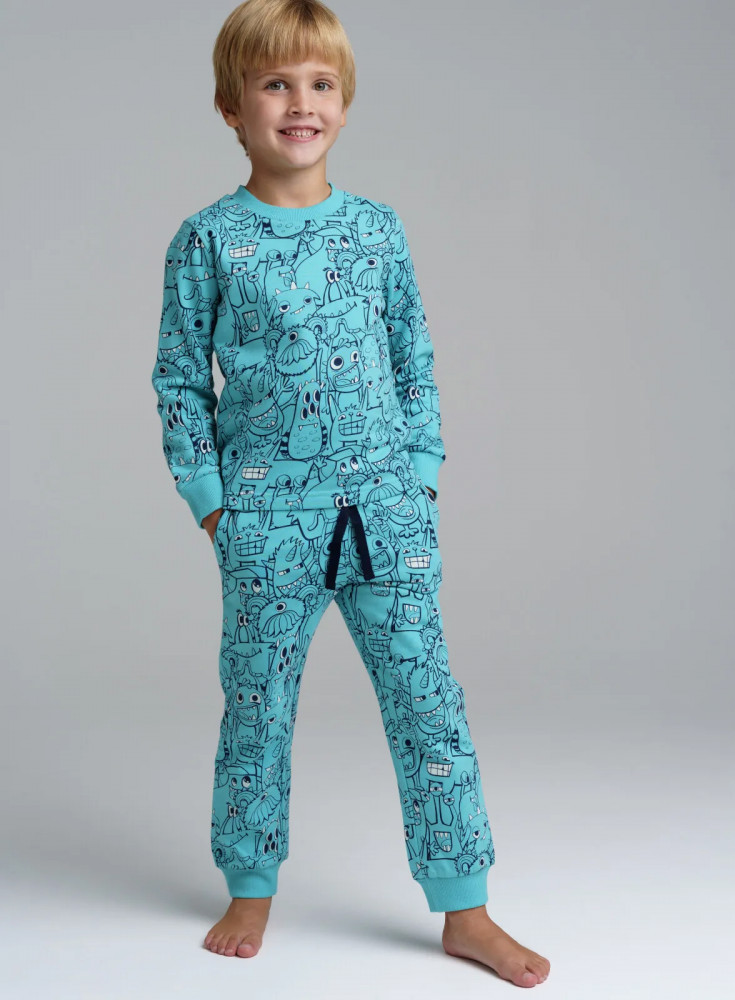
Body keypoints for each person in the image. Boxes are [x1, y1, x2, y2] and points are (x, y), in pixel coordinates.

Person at [151, 0, 550, 986]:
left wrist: (422, 474)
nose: (301, 103)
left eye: (320, 84)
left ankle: (465, 908)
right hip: (265, 524)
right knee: (257, 709)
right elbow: (179, 382)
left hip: (387, 515)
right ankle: (249, 885)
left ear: (345, 101)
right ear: (231, 107)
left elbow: (414, 358)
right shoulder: (208, 241)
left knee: (429, 706)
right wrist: (213, 504)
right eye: (275, 84)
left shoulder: (377, 231)